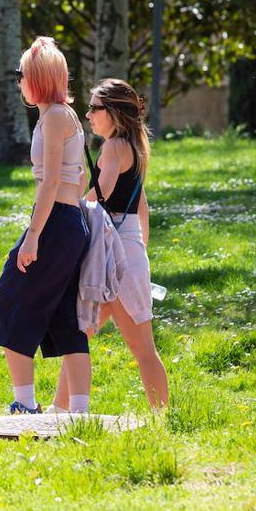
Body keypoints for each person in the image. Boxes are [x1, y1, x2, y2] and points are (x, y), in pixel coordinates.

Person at [0, 37, 93, 415]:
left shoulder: (57, 117)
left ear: (39, 78)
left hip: (55, 223)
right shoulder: (62, 115)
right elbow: (75, 179)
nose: (19, 83)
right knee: (64, 315)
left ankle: (25, 403)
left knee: (11, 302)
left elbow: (49, 182)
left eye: (22, 75)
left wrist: (33, 236)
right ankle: (78, 411)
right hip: (67, 222)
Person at [55, 79, 169, 410]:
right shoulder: (131, 148)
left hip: (113, 254)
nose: (89, 114)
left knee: (142, 348)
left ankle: (162, 418)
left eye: (94, 108)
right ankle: (59, 410)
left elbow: (99, 197)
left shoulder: (114, 148)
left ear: (114, 112)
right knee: (79, 336)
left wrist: (63, 209)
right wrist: (138, 253)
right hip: (120, 251)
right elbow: (141, 207)